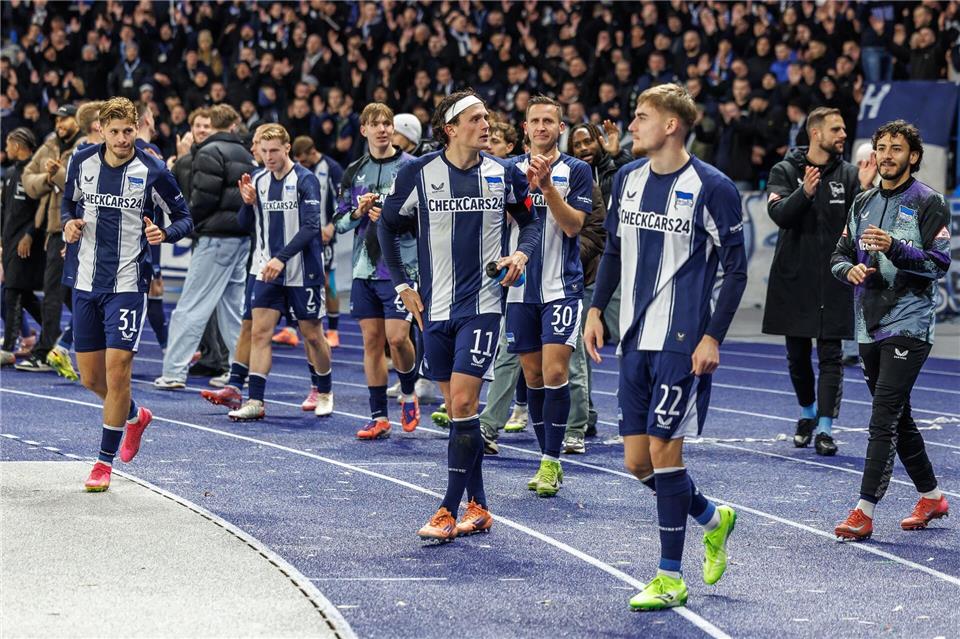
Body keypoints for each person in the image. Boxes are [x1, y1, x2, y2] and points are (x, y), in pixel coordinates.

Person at [584, 84, 746, 611]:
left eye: (641, 116)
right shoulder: (628, 179)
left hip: (681, 340)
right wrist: (594, 309)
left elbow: (736, 268)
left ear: (671, 125)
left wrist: (711, 336)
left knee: (663, 453)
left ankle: (670, 576)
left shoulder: (712, 187)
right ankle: (711, 517)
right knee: (636, 462)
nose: (632, 125)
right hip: (634, 337)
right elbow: (612, 249)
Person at [378, 90, 544, 541]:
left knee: (467, 404)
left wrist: (521, 256)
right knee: (458, 413)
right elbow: (387, 226)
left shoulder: (503, 173)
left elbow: (530, 223)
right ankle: (481, 506)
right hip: (435, 308)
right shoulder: (418, 172)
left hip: (484, 306)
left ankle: (447, 509)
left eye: (487, 116)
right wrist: (403, 285)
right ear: (451, 128)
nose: (486, 123)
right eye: (476, 118)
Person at [61, 96, 194, 491]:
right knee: (90, 378)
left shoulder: (153, 169)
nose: (122, 139)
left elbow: (185, 218)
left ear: (137, 128)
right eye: (114, 131)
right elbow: (68, 205)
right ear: (100, 129)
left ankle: (102, 464)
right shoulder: (81, 162)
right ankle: (135, 416)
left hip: (127, 285)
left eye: (128, 131)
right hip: (85, 282)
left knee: (118, 372)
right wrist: (68, 224)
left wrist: (164, 233)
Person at [831, 120, 951, 541]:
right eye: (881, 147)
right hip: (867, 324)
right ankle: (933, 496)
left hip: (909, 322)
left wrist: (895, 248)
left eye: (896, 148)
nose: (886, 155)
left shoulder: (928, 201)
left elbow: (939, 263)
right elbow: (839, 255)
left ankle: (864, 510)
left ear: (912, 156)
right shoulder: (862, 201)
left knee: (883, 416)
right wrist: (851, 269)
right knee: (899, 420)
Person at [763, 107, 874, 456]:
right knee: (797, 356)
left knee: (831, 356)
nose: (843, 135)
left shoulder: (851, 174)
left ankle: (825, 427)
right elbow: (780, 215)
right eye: (837, 129)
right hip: (794, 279)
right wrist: (805, 193)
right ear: (815, 133)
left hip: (834, 278)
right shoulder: (785, 170)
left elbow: (862, 220)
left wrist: (868, 190)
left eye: (843, 129)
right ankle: (806, 412)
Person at [503, 95, 592, 494]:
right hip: (520, 290)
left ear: (561, 128)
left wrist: (548, 189)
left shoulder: (578, 170)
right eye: (534, 121)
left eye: (549, 121)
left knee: (556, 373)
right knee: (534, 376)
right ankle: (547, 457)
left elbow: (574, 227)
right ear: (525, 128)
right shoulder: (505, 170)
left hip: (562, 286)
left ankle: (550, 461)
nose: (541, 127)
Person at [228, 124, 334, 421]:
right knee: (260, 332)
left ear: (287, 148)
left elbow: (311, 226)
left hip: (303, 270)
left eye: (274, 150)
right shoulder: (258, 180)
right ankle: (256, 400)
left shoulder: (305, 179)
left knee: (312, 334)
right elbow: (244, 224)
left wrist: (282, 258)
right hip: (267, 269)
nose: (268, 156)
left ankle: (324, 390)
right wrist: (247, 204)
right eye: (263, 151)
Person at [334, 103, 419, 439]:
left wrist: (390, 216)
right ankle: (378, 417)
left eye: (388, 123)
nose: (383, 129)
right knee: (372, 342)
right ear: (364, 130)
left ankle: (409, 392)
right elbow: (339, 222)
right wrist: (357, 213)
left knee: (398, 339)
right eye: (376, 124)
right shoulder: (354, 170)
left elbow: (428, 217)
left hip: (402, 268)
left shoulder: (412, 167)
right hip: (364, 268)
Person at [154, 104, 253, 389]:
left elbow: (203, 200)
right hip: (240, 238)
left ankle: (173, 373)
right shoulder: (245, 153)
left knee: (190, 307)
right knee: (232, 309)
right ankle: (239, 370)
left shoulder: (209, 153)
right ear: (232, 126)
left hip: (215, 239)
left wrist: (189, 223)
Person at [17, 104, 82, 373]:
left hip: (76, 228)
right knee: (65, 294)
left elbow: (78, 186)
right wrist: (49, 177)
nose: (59, 123)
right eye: (57, 118)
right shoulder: (50, 144)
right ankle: (61, 346)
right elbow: (27, 178)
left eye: (64, 118)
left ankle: (45, 352)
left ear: (76, 120)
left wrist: (58, 175)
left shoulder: (84, 145)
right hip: (53, 229)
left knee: (57, 292)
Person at [291, 135, 344, 348]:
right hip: (300, 232)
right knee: (295, 277)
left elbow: (344, 200)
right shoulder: (295, 168)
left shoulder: (332, 168)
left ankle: (333, 330)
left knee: (327, 279)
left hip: (324, 234)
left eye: (303, 161)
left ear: (313, 153)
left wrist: (332, 226)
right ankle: (291, 327)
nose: (300, 166)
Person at [1, 128, 43, 363]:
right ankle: (52, 330)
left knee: (13, 290)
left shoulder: (34, 172)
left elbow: (41, 210)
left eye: (8, 144)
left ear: (17, 145)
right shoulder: (9, 172)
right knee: (24, 294)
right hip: (9, 241)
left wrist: (29, 235)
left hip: (26, 243)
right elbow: (4, 209)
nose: (6, 149)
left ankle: (8, 349)